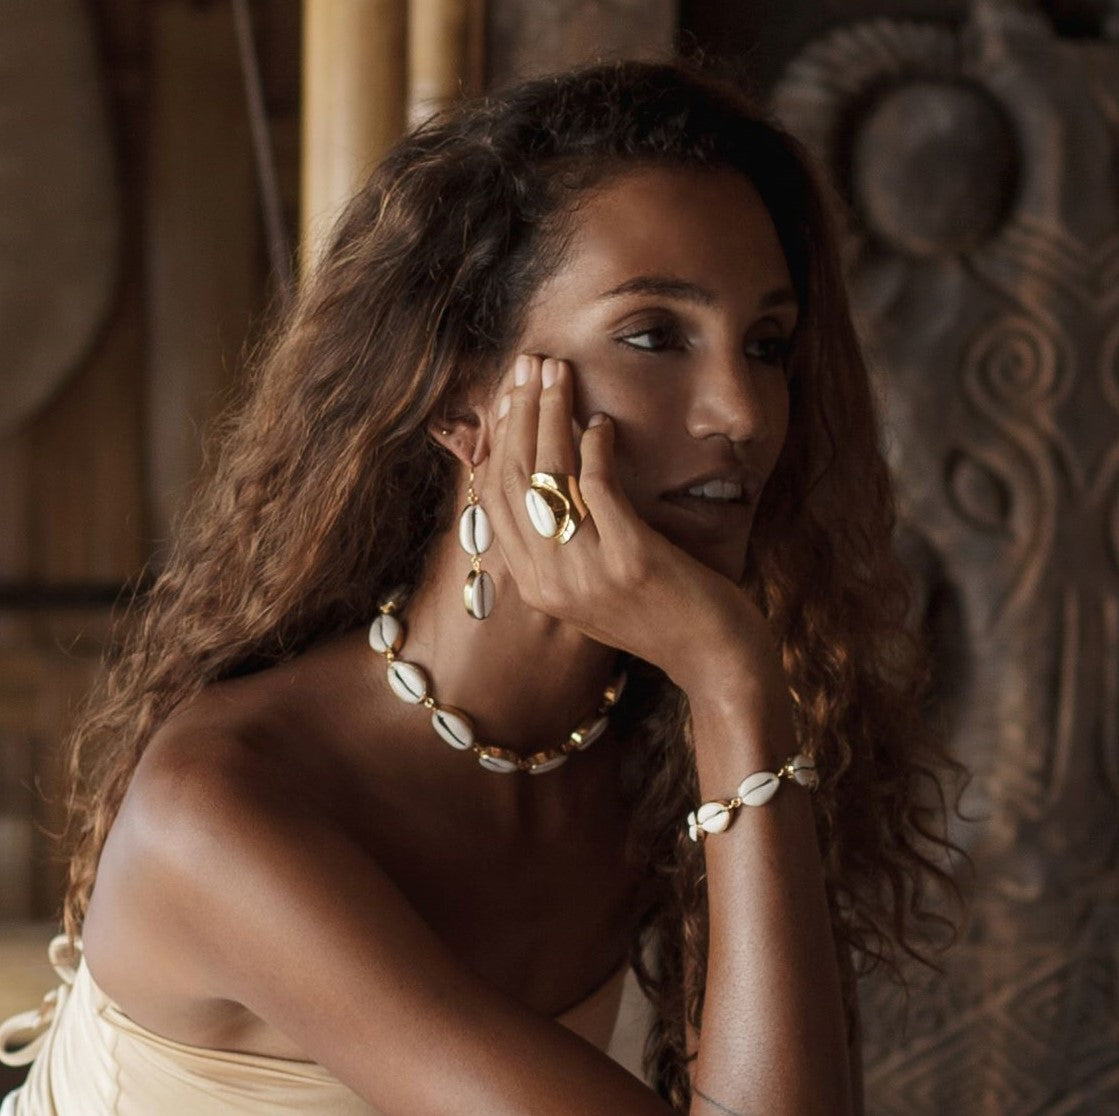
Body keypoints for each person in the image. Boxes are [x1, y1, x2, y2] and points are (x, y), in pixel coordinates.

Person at [0, 59, 956, 1115]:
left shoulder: (643, 754)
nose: (742, 409)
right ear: (462, 398)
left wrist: (730, 691)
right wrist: (732, 679)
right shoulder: (225, 808)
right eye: (655, 335)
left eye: (767, 344)